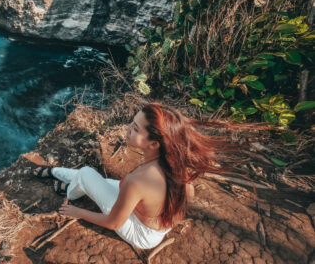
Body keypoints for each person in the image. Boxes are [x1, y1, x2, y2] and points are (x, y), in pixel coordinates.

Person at [34, 102, 246, 249]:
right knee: (93, 179)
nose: (127, 129)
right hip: (154, 224)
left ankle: (68, 190)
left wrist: (77, 212)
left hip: (141, 234)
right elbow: (181, 204)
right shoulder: (177, 166)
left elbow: (114, 223)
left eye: (135, 128)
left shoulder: (138, 181)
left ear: (154, 144)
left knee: (87, 173)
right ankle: (60, 176)